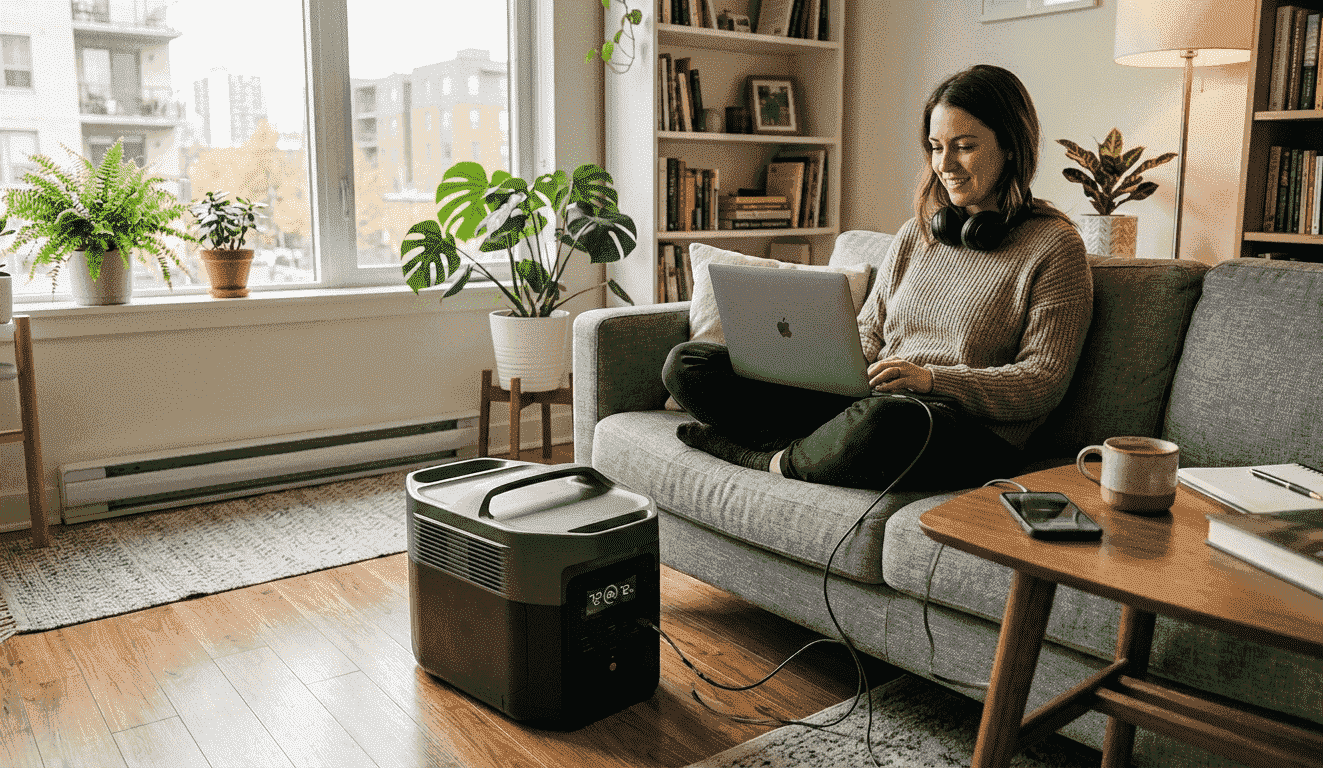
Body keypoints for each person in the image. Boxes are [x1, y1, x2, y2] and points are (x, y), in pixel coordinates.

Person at [662, 64, 1094, 491]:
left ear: (1011, 147)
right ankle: (819, 450)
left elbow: (1042, 381)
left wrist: (931, 379)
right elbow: (870, 327)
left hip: (957, 427)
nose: (945, 164)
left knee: (886, 422)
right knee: (689, 364)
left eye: (964, 147)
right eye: (936, 147)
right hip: (872, 399)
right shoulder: (918, 232)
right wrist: (835, 372)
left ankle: (763, 456)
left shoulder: (1055, 247)